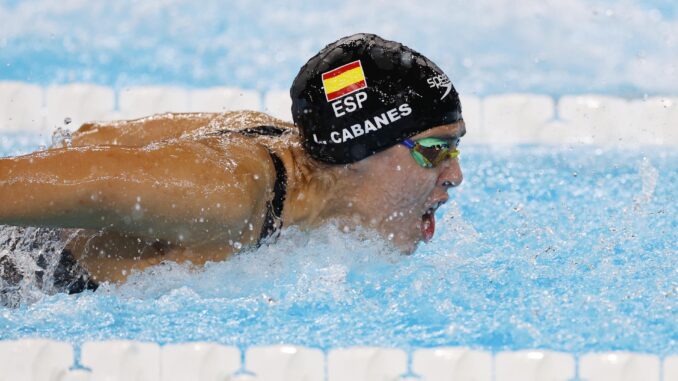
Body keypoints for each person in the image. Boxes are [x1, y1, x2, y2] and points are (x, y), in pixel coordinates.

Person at [0, 33, 465, 294]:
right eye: (434, 151)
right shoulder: (224, 194)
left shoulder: (275, 143)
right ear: (356, 154)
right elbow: (88, 182)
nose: (455, 175)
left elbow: (91, 140)